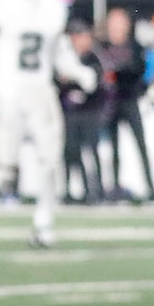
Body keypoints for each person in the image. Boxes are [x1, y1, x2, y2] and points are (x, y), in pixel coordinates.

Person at [0, 0, 91, 249]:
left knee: (50, 161)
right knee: (6, 168)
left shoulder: (53, 8)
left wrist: (78, 71)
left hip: (40, 91)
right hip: (9, 92)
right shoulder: (4, 5)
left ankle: (43, 223)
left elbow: (58, 51)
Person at [94, 5, 151, 203]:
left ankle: (150, 187)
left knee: (141, 145)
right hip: (110, 102)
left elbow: (138, 70)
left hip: (130, 100)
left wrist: (117, 73)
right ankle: (114, 188)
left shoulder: (134, 45)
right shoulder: (101, 46)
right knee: (113, 148)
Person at [59, 22, 107, 204]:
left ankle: (95, 191)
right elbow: (59, 79)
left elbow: (95, 83)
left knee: (91, 152)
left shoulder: (94, 56)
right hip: (69, 112)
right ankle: (69, 190)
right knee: (69, 152)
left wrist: (75, 81)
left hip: (89, 112)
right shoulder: (63, 56)